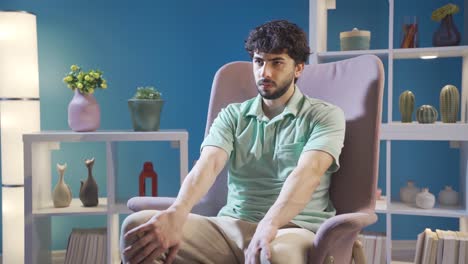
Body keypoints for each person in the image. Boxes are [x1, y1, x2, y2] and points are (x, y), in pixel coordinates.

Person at [120, 19, 345, 264]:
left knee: (274, 256)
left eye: (277, 63)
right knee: (139, 227)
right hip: (229, 228)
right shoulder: (232, 115)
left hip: (290, 229)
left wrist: (269, 223)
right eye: (259, 62)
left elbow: (308, 173)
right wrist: (177, 212)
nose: (265, 73)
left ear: (298, 68)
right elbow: (208, 165)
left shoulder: (324, 115)